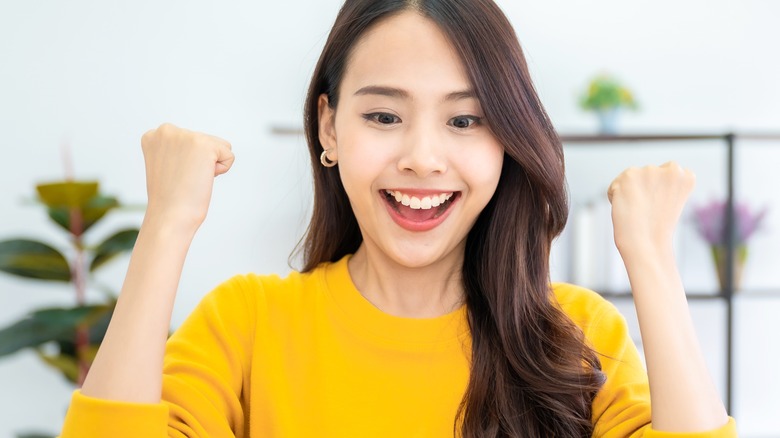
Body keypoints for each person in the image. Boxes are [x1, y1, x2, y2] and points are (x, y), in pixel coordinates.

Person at [60, 0, 737, 437]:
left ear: (507, 139)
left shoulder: (578, 337)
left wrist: (651, 258)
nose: (422, 157)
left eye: (465, 120)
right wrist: (166, 224)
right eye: (383, 116)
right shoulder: (246, 324)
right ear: (328, 127)